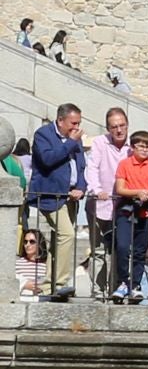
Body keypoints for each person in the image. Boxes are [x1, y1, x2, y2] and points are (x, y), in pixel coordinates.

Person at [29, 103, 85, 297]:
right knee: (67, 234)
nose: (76, 127)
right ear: (60, 121)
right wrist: (70, 142)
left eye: (78, 123)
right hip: (51, 195)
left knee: (58, 240)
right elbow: (47, 160)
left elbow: (81, 166)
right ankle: (60, 283)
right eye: (73, 123)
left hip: (71, 197)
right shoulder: (43, 135)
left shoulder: (74, 138)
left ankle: (48, 286)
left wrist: (81, 187)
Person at [85, 106, 131, 300]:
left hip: (123, 207)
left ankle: (116, 290)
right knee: (98, 251)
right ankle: (98, 292)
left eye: (122, 125)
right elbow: (92, 168)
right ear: (108, 128)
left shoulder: (134, 145)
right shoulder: (99, 143)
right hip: (99, 205)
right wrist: (96, 190)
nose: (119, 130)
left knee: (121, 249)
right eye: (114, 127)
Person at [112, 132, 148, 301]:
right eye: (141, 146)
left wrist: (147, 194)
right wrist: (137, 192)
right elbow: (120, 188)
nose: (145, 149)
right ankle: (123, 282)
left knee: (140, 251)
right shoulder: (124, 164)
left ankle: (135, 284)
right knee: (123, 247)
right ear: (133, 147)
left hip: (145, 211)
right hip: (126, 211)